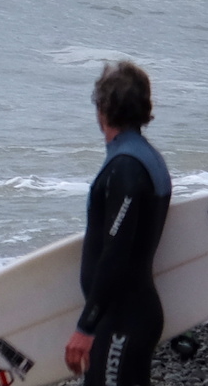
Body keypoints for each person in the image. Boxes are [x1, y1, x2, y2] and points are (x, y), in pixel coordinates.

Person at [64, 61, 172, 386]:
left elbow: (117, 253)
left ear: (104, 107)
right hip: (128, 315)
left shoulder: (125, 167)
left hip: (123, 319)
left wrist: (86, 327)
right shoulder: (145, 157)